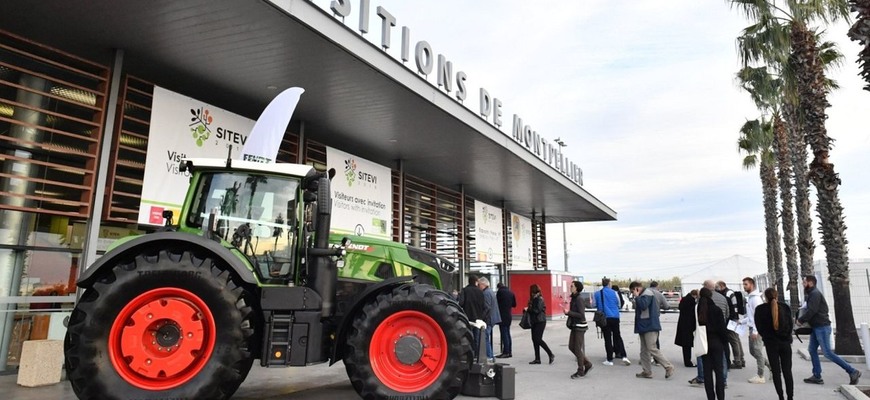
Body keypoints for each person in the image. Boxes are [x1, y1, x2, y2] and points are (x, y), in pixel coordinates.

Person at [799, 275, 861, 385]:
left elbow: (812, 310)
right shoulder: (811, 294)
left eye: (804, 282)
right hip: (816, 327)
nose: (803, 284)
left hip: (821, 327)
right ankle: (817, 375)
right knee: (812, 350)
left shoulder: (815, 294)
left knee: (827, 353)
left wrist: (801, 320)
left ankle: (852, 371)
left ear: (811, 283)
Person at [629, 281, 674, 379]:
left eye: (633, 291)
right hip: (644, 325)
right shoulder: (644, 294)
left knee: (651, 348)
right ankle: (647, 371)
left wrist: (637, 297)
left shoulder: (647, 294)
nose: (633, 294)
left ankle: (668, 366)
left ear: (637, 288)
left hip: (650, 325)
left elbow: (643, 305)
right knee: (644, 350)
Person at [755, 287, 794, 400]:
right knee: (787, 371)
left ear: (765, 297)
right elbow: (790, 325)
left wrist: (767, 337)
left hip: (771, 344)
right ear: (777, 296)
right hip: (785, 343)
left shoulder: (760, 310)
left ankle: (780, 396)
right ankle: (790, 397)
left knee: (776, 371)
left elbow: (759, 327)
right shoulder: (785, 307)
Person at [697, 287, 728, 400]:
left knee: (707, 372)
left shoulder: (698, 310)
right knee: (719, 372)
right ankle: (721, 397)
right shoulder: (716, 309)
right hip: (717, 341)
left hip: (704, 342)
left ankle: (710, 397)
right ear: (711, 296)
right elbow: (722, 328)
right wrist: (725, 341)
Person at [596, 278, 630, 366]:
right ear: (609, 284)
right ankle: (624, 356)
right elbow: (619, 304)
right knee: (617, 336)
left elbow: (594, 305)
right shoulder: (615, 293)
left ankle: (609, 359)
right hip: (615, 316)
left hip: (604, 318)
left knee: (607, 339)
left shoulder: (597, 293)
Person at [742, 277, 768, 384]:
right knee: (753, 351)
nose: (744, 286)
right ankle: (772, 366)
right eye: (743, 284)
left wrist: (756, 331)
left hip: (756, 328)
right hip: (752, 327)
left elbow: (759, 316)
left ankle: (760, 375)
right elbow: (751, 316)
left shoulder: (756, 299)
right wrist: (742, 322)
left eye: (746, 284)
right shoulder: (751, 298)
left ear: (752, 285)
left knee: (757, 351)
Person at [565, 280, 593, 378]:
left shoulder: (579, 299)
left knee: (577, 348)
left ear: (576, 288)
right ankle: (587, 364)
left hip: (580, 326)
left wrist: (569, 313)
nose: (570, 287)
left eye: (572, 286)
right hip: (574, 325)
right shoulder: (574, 298)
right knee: (571, 347)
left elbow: (581, 314)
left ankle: (580, 370)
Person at [716, 280, 746, 370]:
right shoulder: (728, 292)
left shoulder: (728, 293)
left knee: (733, 340)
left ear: (722, 286)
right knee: (736, 339)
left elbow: (734, 306)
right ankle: (741, 359)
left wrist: (733, 318)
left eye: (717, 287)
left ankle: (738, 361)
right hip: (734, 318)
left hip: (732, 319)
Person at [458, 275, 487, 361]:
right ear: (476, 282)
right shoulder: (480, 291)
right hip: (478, 317)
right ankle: (477, 355)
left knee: (468, 336)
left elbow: (461, 303)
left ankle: (469, 354)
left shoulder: (465, 290)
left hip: (468, 317)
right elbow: (484, 305)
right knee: (477, 336)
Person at [526, 283, 555, 365]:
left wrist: (528, 309)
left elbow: (537, 310)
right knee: (534, 340)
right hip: (535, 321)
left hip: (540, 321)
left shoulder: (539, 299)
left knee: (538, 339)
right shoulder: (534, 299)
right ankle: (537, 358)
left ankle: (550, 354)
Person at [675, 290, 699, 367]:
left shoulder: (684, 299)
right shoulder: (692, 302)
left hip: (682, 324)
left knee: (685, 345)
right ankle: (688, 362)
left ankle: (686, 360)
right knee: (688, 344)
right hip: (689, 325)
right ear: (695, 295)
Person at [478, 277, 500, 361]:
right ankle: (490, 355)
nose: (478, 286)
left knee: (485, 338)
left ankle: (489, 356)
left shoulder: (486, 293)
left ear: (483, 284)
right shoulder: (490, 292)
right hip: (493, 317)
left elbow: (487, 307)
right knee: (487, 337)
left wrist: (482, 318)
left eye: (479, 285)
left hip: (489, 319)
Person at [496, 282, 517, 359]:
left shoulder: (500, 292)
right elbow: (514, 304)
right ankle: (509, 351)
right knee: (507, 333)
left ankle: (506, 352)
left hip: (502, 316)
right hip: (509, 315)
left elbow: (496, 303)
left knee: (504, 334)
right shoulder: (511, 292)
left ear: (498, 287)